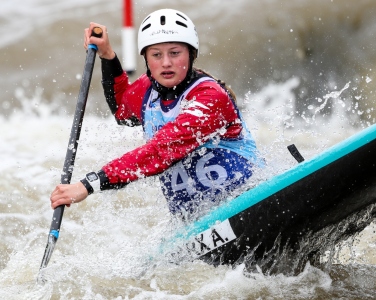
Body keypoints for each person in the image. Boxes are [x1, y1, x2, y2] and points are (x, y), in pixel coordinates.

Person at [50, 8, 262, 219]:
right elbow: (122, 110)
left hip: (246, 199)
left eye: (175, 53)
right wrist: (107, 56)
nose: (166, 62)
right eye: (156, 55)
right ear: (147, 60)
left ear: (191, 54)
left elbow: (161, 150)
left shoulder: (210, 97)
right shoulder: (146, 91)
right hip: (193, 223)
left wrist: (88, 185)